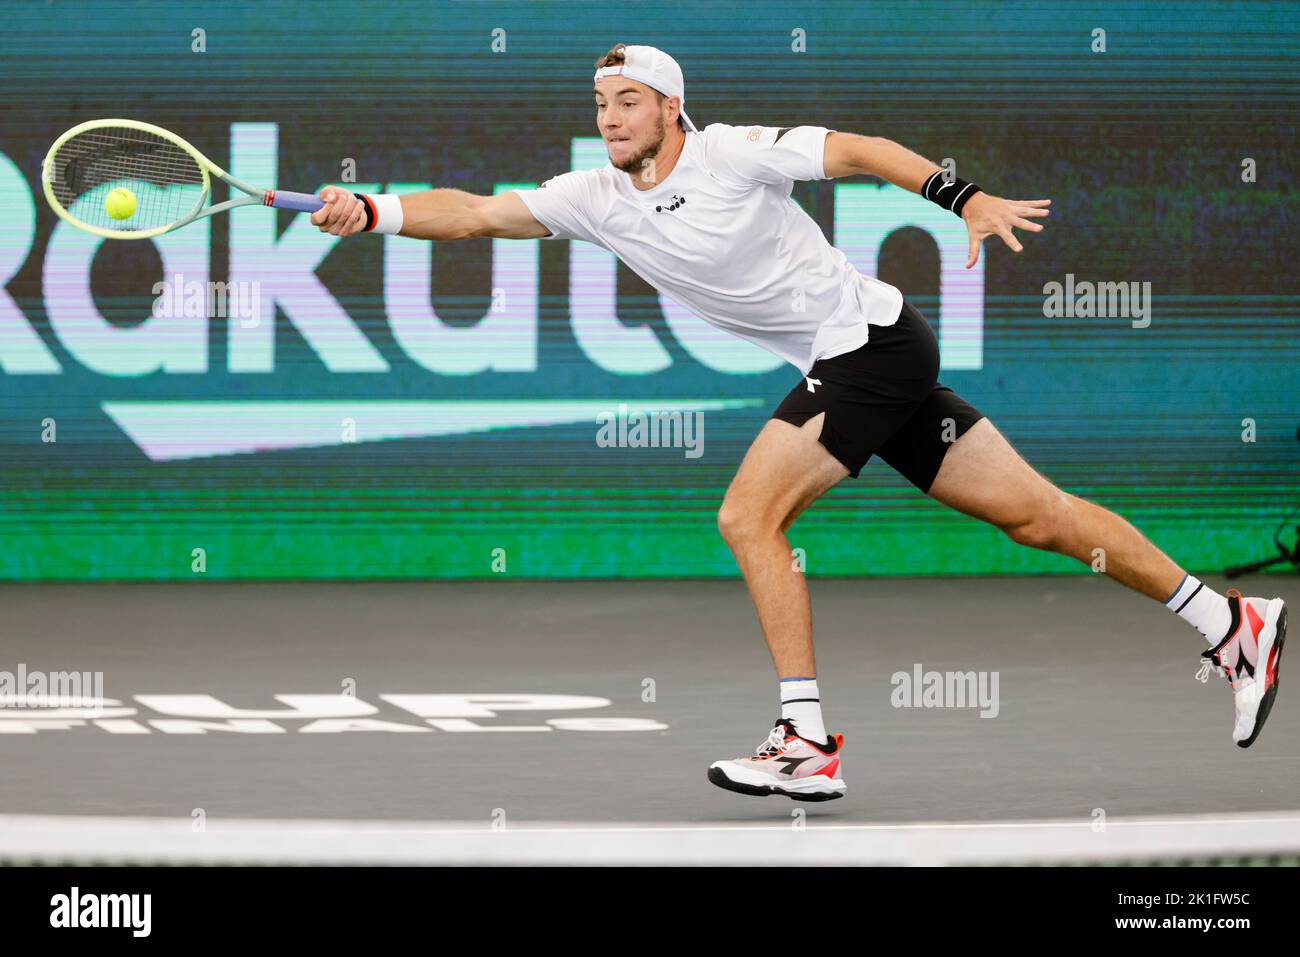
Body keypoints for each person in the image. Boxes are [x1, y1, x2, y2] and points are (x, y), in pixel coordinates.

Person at [311, 43, 1287, 801]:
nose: (610, 118)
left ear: (670, 106)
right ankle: (1228, 620)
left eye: (628, 102)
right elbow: (476, 213)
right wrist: (374, 208)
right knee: (1036, 517)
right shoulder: (593, 198)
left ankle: (806, 743)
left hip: (870, 349)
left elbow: (858, 152)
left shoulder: (733, 152)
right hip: (866, 363)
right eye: (600, 104)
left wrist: (962, 197)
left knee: (747, 518)